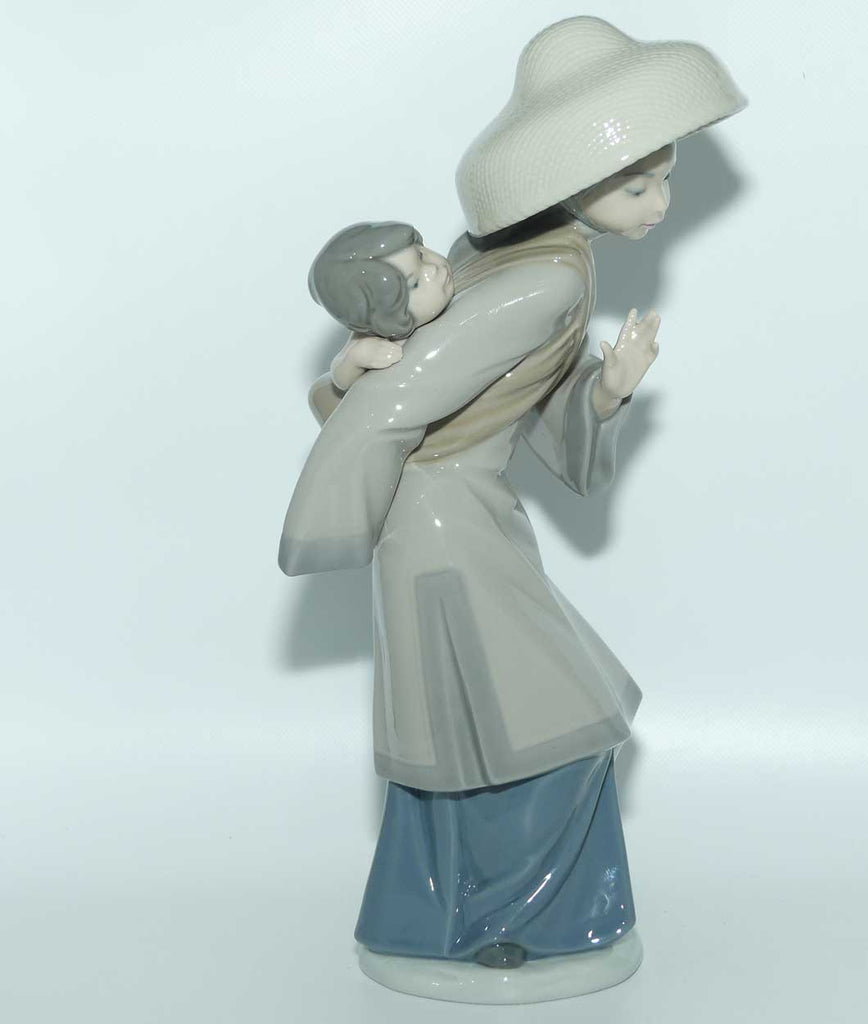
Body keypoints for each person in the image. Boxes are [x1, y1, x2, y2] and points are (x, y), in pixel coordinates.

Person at [278, 15, 746, 1000]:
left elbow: (500, 395)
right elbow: (399, 402)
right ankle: (501, 920)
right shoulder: (537, 279)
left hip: (465, 513)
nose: (661, 201)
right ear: (574, 179)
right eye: (637, 183)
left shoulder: (529, 255)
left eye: (664, 176)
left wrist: (603, 392)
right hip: (443, 526)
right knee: (540, 726)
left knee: (483, 730)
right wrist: (329, 514)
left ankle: (452, 916)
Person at [304, 221, 454, 422]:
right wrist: (358, 356)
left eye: (421, 255)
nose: (432, 269)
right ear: (383, 316)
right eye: (414, 283)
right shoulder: (377, 338)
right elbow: (340, 375)